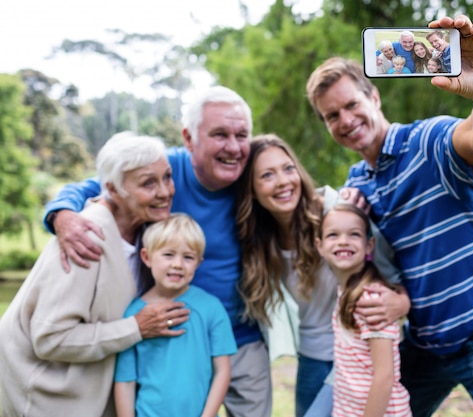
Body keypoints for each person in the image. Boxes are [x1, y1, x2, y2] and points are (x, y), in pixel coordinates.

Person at [305, 15, 473, 417]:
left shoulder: (427, 142)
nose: (345, 120)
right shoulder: (356, 186)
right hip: (426, 342)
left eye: (351, 105)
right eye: (332, 116)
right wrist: (397, 299)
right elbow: (369, 263)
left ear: (374, 98)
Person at [41, 86, 272, 417]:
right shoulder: (163, 171)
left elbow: (294, 192)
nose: (233, 147)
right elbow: (90, 186)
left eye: (242, 135)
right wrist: (62, 216)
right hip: (164, 333)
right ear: (189, 139)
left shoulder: (253, 175)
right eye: (220, 134)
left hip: (239, 334)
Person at [0, 133, 187, 417]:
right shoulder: (86, 237)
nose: (165, 191)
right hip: (43, 397)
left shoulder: (146, 230)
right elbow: (51, 337)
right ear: (113, 188)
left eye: (167, 177)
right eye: (148, 182)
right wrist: (135, 328)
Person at [236, 134, 409, 417]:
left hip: (362, 354)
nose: (282, 181)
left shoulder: (335, 210)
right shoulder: (258, 239)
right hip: (312, 358)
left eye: (288, 168)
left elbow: (388, 270)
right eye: (267, 175)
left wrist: (403, 303)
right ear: (251, 190)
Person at [114, 213, 237, 417]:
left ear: (198, 263)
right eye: (168, 255)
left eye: (188, 257)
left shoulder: (211, 308)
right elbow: (125, 380)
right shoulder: (134, 314)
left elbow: (222, 372)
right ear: (146, 257)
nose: (178, 264)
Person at [316, 203, 411, 417]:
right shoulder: (344, 292)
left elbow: (384, 377)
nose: (343, 241)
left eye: (354, 234)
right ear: (319, 246)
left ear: (369, 246)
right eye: (333, 235)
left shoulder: (371, 301)